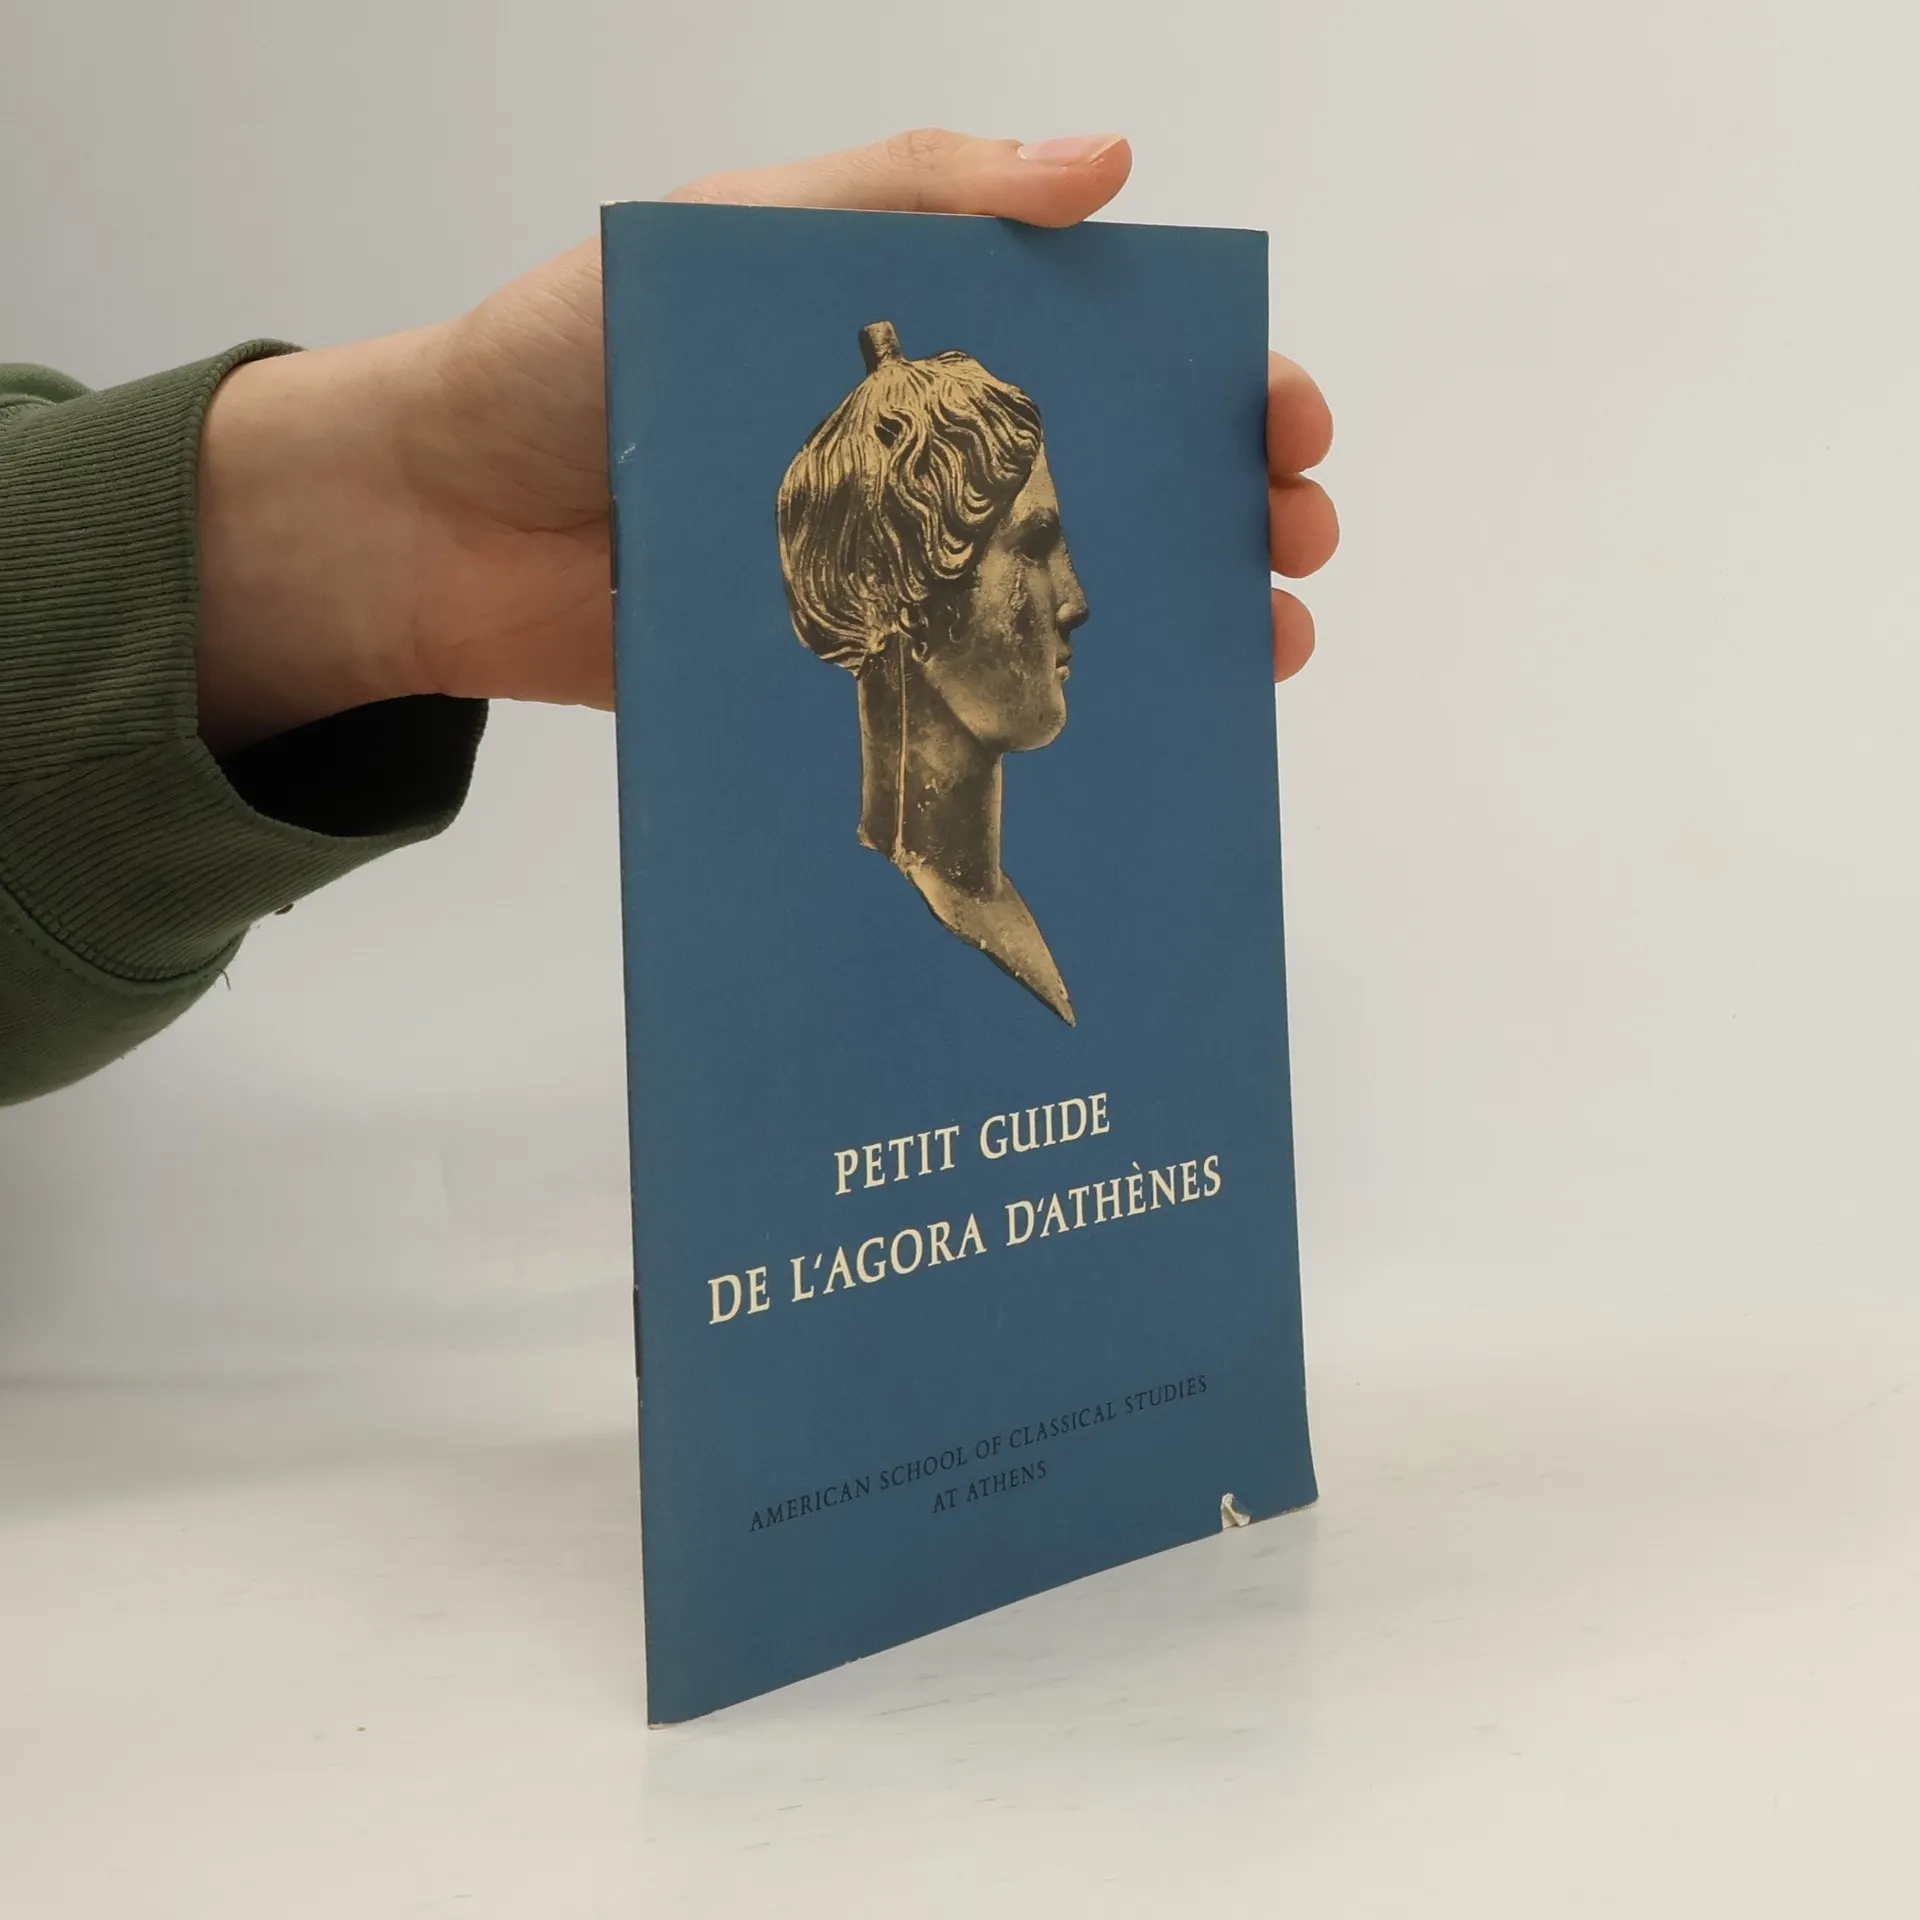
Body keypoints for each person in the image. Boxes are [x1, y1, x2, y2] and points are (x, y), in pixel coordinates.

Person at [0, 130, 1338, 1107]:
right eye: (1032, 549)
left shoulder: (1087, 913)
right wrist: (411, 483)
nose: (1079, 597)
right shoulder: (823, 937)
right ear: (902, 588)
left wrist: (404, 491)